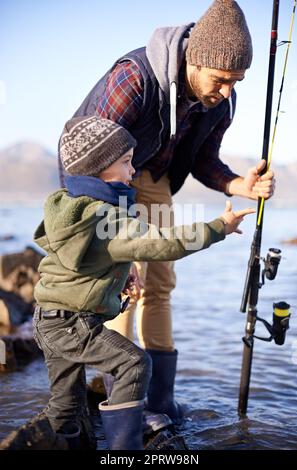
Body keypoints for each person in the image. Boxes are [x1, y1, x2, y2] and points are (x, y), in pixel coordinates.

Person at [58, 0, 275, 424]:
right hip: (103, 177)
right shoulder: (134, 79)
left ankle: (158, 400)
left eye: (238, 81)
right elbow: (86, 155)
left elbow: (203, 160)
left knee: (161, 280)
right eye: (222, 79)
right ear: (195, 61)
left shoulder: (221, 102)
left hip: (153, 176)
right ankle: (119, 393)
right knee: (122, 283)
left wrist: (239, 185)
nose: (228, 91)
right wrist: (106, 237)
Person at [33, 116, 255, 450]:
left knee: (67, 405)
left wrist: (122, 267)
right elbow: (163, 243)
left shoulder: (72, 207)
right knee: (134, 363)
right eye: (125, 163)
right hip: (73, 324)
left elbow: (91, 258)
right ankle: (126, 450)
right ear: (99, 168)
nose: (133, 171)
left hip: (48, 319)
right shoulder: (109, 217)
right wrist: (218, 227)